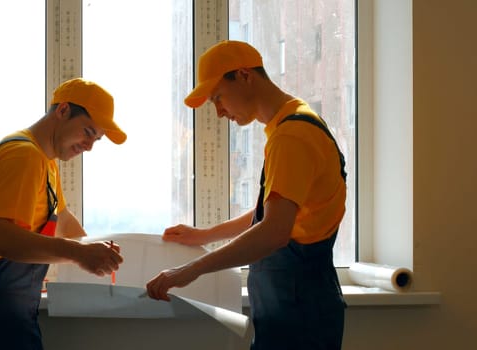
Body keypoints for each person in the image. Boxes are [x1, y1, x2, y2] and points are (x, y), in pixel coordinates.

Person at [145, 40, 347, 349]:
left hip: (300, 315)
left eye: (218, 98)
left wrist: (189, 271)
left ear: (244, 75)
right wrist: (206, 235)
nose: (219, 112)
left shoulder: (292, 136)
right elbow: (270, 213)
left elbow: (274, 232)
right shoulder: (290, 124)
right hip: (292, 309)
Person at [0, 78, 125, 350]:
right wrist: (79, 254)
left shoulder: (45, 162)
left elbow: (62, 219)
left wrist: (97, 256)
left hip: (9, 319)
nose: (89, 146)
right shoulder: (23, 156)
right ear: (63, 111)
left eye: (95, 140)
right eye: (87, 132)